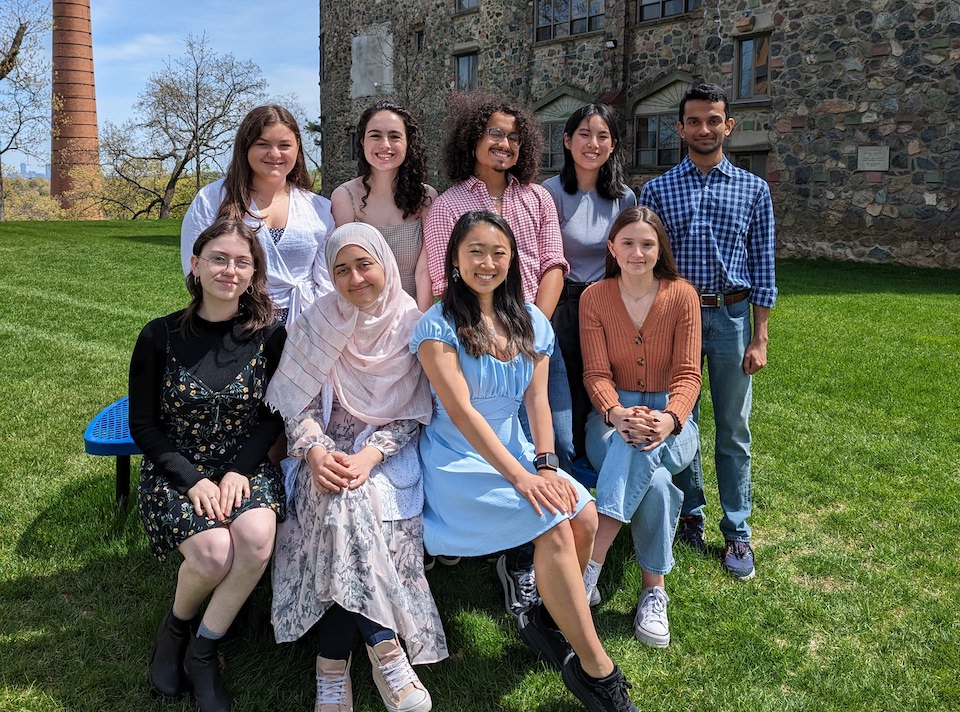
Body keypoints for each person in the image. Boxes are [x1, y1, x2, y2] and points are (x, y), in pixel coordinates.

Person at [412, 211, 638, 712]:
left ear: (513, 260)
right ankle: (597, 670)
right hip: (459, 459)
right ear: (453, 259)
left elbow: (537, 400)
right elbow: (463, 413)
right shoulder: (435, 326)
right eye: (475, 251)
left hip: (519, 449)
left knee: (584, 515)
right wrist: (522, 479)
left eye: (498, 253)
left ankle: (548, 618)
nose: (487, 262)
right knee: (554, 523)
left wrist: (546, 465)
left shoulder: (530, 319)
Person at [266, 223, 447, 712]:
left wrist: (369, 455)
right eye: (341, 269)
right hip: (321, 447)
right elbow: (295, 407)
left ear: (384, 263)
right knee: (337, 497)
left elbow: (412, 413)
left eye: (364, 264)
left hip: (384, 451)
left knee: (345, 504)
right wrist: (317, 452)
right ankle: (386, 652)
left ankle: (332, 665)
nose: (355, 278)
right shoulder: (318, 319)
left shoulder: (411, 321)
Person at [423, 91, 571, 616]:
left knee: (552, 439)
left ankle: (522, 557)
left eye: (512, 135)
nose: (504, 143)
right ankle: (483, 532)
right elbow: (444, 280)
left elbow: (553, 264)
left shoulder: (537, 199)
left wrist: (534, 332)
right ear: (472, 140)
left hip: (529, 340)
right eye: (493, 134)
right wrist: (488, 337)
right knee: (480, 438)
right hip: (474, 343)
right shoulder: (448, 205)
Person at [130, 217, 286, 712]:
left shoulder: (269, 337)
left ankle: (203, 649)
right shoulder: (158, 336)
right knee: (215, 553)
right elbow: (144, 425)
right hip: (176, 469)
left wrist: (240, 470)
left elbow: (271, 416)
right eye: (218, 259)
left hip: (246, 465)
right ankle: (175, 628)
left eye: (243, 262)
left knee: (256, 539)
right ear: (195, 265)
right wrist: (193, 479)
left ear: (254, 273)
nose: (230, 269)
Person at [639, 83, 777, 579]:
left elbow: (763, 265)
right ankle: (689, 516)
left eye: (713, 120)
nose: (704, 129)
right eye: (694, 121)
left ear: (728, 125)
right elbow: (647, 263)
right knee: (682, 422)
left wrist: (759, 336)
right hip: (677, 318)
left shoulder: (753, 189)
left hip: (732, 317)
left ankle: (737, 530)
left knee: (734, 429)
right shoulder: (655, 190)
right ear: (680, 128)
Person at [578, 207, 701, 648]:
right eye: (627, 242)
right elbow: (595, 374)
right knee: (660, 482)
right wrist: (617, 413)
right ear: (612, 247)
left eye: (647, 243)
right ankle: (654, 590)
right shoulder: (595, 297)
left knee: (646, 452)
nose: (637, 252)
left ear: (659, 249)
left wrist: (667, 421)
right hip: (610, 419)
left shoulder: (683, 295)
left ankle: (590, 564)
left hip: (673, 417)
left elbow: (688, 375)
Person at [181, 104, 334, 327]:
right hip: (233, 323)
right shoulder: (212, 199)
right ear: (246, 147)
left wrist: (317, 330)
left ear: (297, 149)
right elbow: (195, 269)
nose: (275, 154)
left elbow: (327, 281)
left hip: (303, 327)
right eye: (263, 144)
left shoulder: (319, 208)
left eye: (285, 145)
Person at [542, 103, 637, 462]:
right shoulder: (548, 193)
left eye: (602, 136)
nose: (592, 143)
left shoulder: (624, 197)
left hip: (606, 303)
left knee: (600, 378)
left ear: (612, 145)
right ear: (567, 140)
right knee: (565, 386)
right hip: (561, 302)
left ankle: (598, 458)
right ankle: (568, 460)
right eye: (584, 134)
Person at [331, 100, 437, 312]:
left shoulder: (426, 197)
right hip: (363, 318)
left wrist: (420, 321)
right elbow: (344, 271)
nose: (385, 145)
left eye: (395, 136)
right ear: (362, 141)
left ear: (408, 143)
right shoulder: (345, 197)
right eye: (376, 135)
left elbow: (424, 270)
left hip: (412, 315)